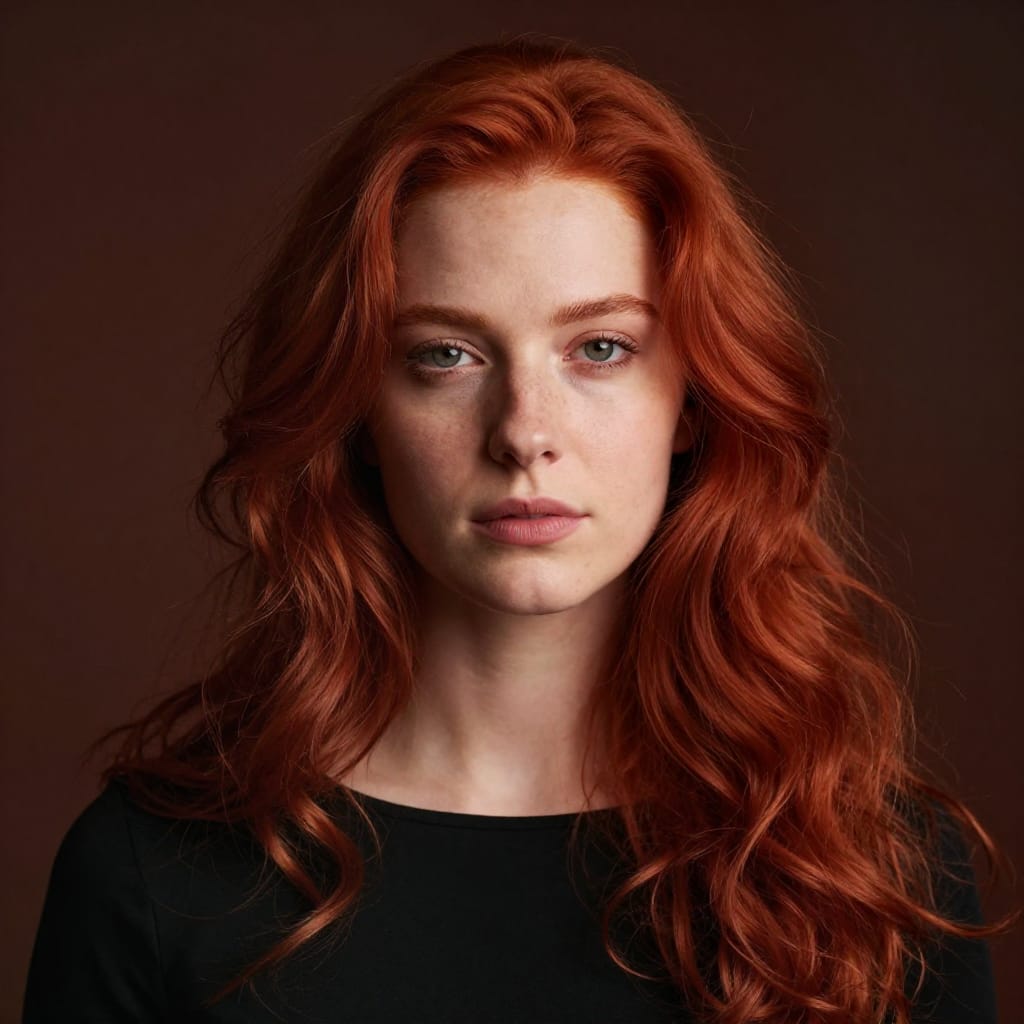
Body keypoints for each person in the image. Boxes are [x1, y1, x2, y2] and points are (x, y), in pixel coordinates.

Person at [22, 34, 1018, 1024]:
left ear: (694, 400)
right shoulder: (154, 875)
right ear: (359, 412)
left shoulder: (874, 870)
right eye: (447, 354)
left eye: (598, 348)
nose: (524, 433)